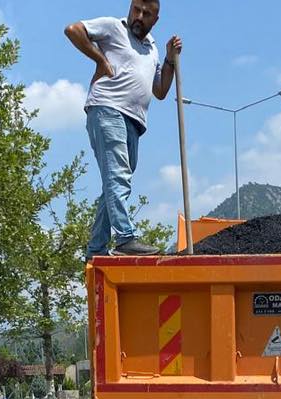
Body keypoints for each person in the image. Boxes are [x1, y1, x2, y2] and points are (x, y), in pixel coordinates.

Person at [65, 3, 182, 258]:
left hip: (135, 122)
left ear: (156, 19)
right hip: (107, 108)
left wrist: (169, 60)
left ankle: (96, 248)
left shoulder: (150, 48)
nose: (139, 17)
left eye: (146, 14)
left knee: (115, 182)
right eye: (136, 10)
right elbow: (73, 30)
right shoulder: (113, 26)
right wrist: (100, 59)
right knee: (118, 177)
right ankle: (125, 238)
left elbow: (160, 91)